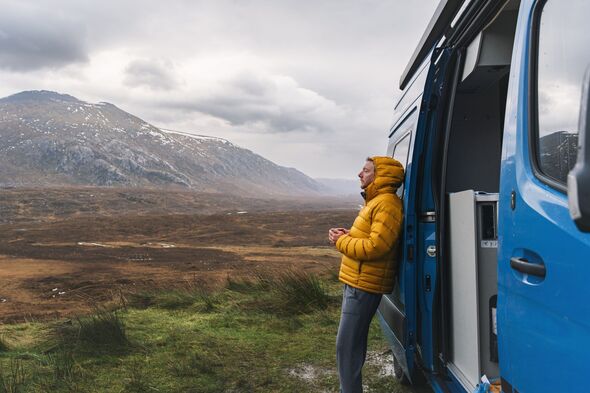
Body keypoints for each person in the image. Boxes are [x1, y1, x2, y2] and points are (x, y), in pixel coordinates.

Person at [329, 156, 404, 393]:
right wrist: (350, 233)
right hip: (357, 281)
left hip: (364, 285)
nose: (359, 174)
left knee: (346, 346)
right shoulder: (377, 202)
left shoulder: (388, 204)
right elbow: (371, 236)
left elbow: (376, 247)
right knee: (351, 344)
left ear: (380, 176)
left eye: (366, 170)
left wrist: (341, 241)